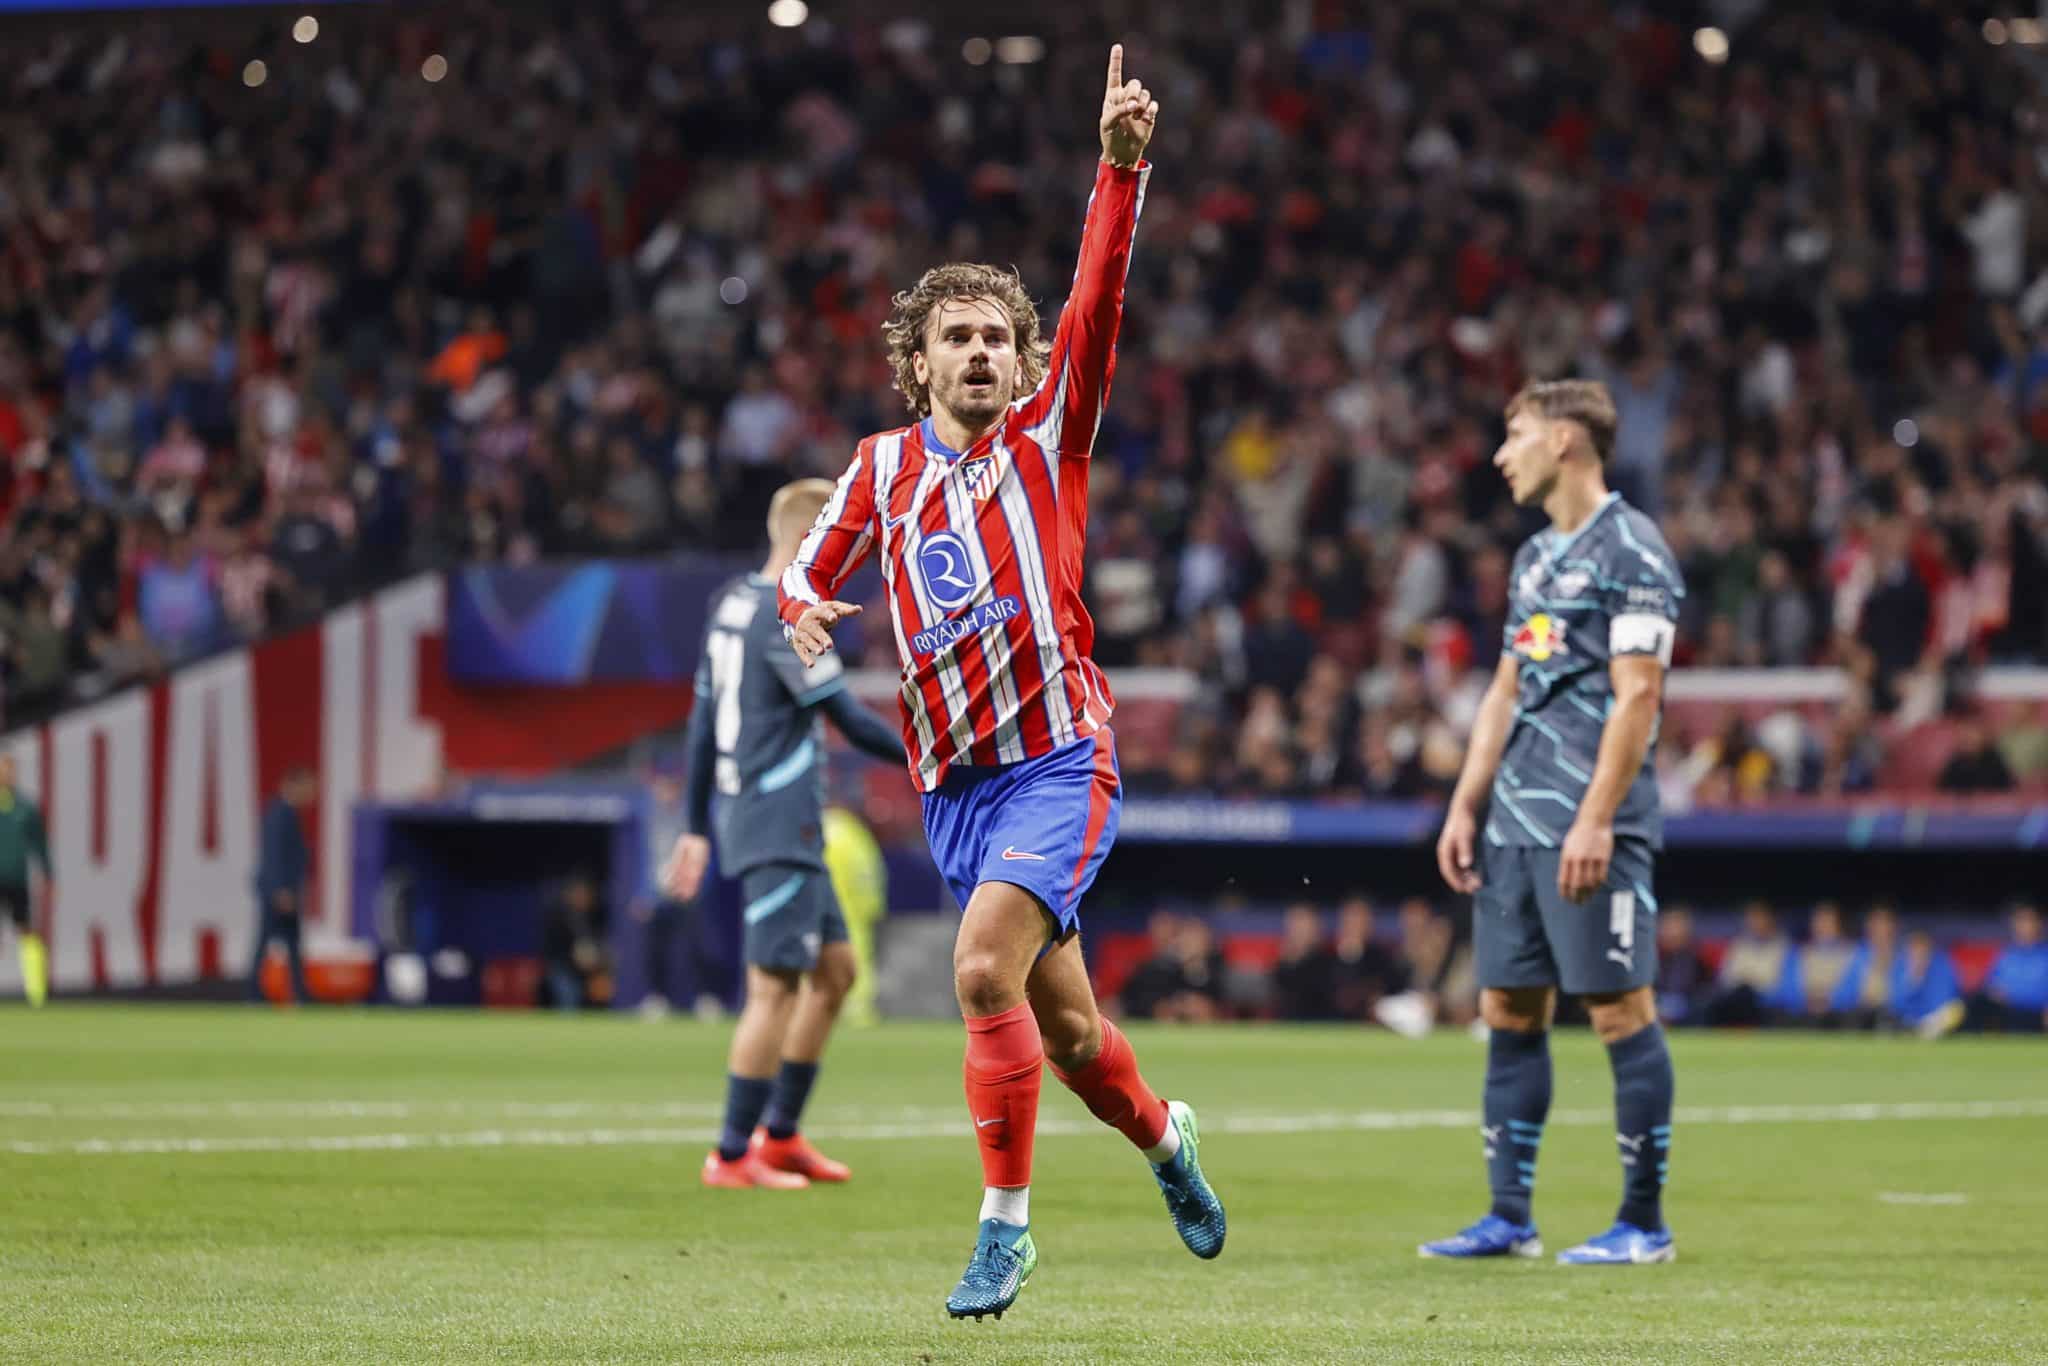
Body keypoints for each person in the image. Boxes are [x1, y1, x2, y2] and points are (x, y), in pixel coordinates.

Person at [778, 49, 1224, 1320]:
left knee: (980, 971)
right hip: (955, 789)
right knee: (1071, 1036)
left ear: (1025, 364)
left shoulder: (1049, 433)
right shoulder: (875, 469)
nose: (977, 354)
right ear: (914, 364)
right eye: (953, 339)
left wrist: (1118, 173)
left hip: (1058, 758)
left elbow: (1097, 298)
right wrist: (806, 612)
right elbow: (807, 571)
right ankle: (1166, 1144)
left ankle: (1003, 1230)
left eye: (995, 339)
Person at [1427, 379, 1685, 1266]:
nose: (1503, 454)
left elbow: (1638, 694)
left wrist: (1597, 820)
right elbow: (1508, 687)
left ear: (1567, 441)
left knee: (1618, 1010)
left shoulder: (1635, 553)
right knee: (1508, 1008)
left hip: (1591, 824)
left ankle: (1643, 1226)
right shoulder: (1535, 559)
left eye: (1517, 433)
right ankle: (1509, 1217)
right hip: (1514, 823)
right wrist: (1467, 801)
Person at [666, 478, 911, 1192]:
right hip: (779, 820)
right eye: (835, 542)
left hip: (764, 819)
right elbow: (849, 718)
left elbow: (702, 723)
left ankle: (781, 1136)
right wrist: (935, 759)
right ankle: (733, 1153)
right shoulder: (783, 616)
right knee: (773, 988)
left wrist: (692, 826)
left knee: (835, 973)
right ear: (811, 540)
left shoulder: (731, 603)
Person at [248, 768, 314, 1004]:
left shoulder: (288, 813)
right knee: (266, 942)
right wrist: (280, 890)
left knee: (291, 944)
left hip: (284, 890)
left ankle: (299, 993)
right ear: (292, 784)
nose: (310, 793)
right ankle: (255, 993)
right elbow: (273, 855)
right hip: (277, 892)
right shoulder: (280, 814)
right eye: (307, 786)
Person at [0, 754, 52, 1007]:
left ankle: (36, 990)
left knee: (26, 931)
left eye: (8, 769)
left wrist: (48, 873)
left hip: (16, 880)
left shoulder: (25, 808)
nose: (5, 774)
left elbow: (40, 844)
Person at [1960, 903, 2048, 1034]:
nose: (2025, 926)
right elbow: (1989, 985)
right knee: (1975, 1001)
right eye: (2021, 921)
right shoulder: (2006, 956)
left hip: (2036, 1014)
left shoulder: (2044, 956)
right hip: (2007, 1012)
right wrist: (1995, 992)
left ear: (2039, 924)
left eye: (2029, 921)